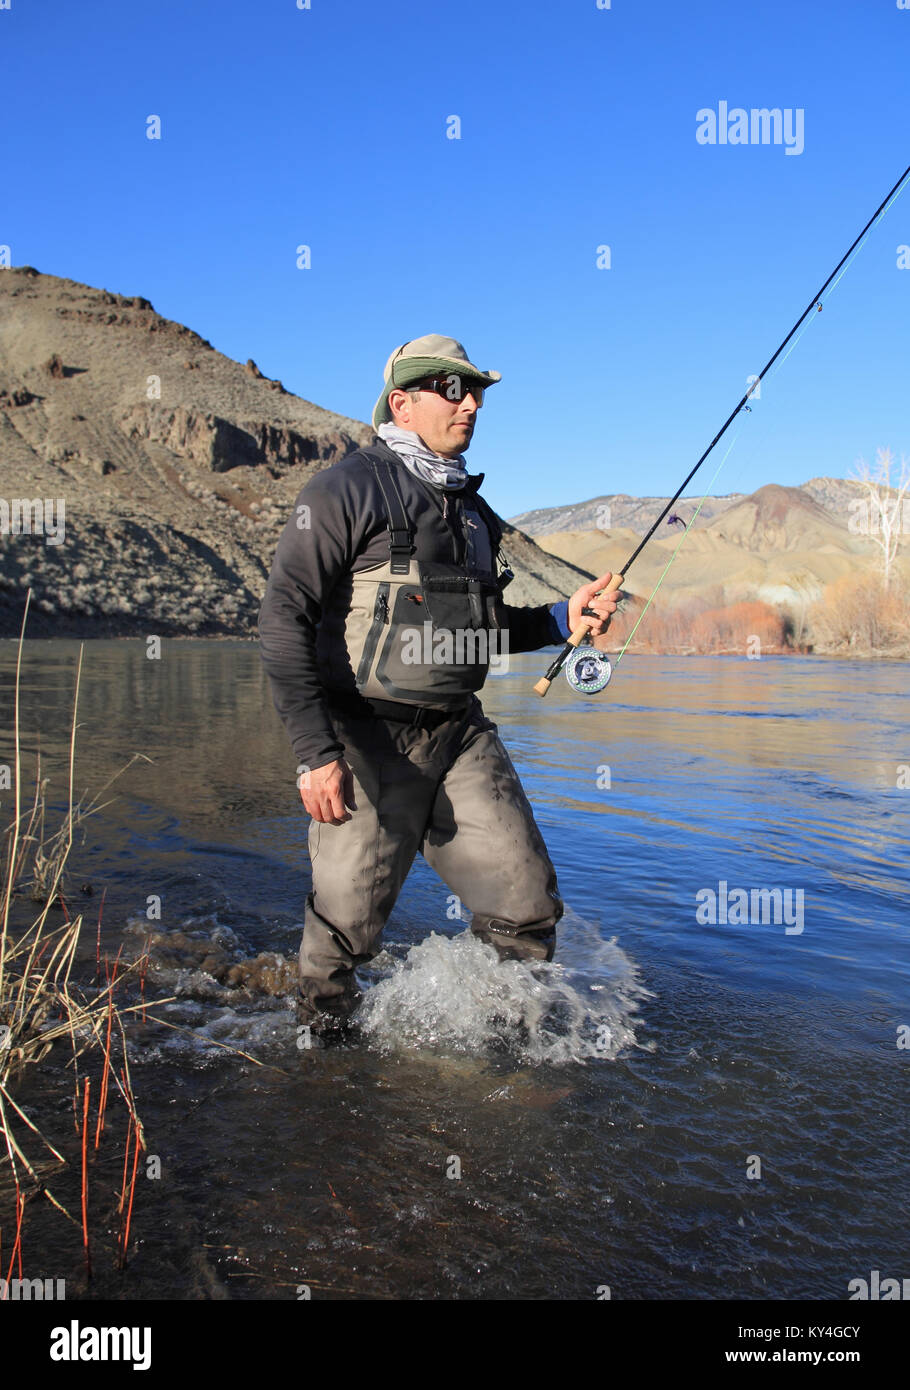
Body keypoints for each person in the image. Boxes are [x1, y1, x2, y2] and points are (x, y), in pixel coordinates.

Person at [258, 335, 618, 1040]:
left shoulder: (474, 512)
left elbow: (480, 628)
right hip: (363, 740)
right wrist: (314, 753)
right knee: (341, 941)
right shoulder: (343, 489)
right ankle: (324, 1066)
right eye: (452, 389)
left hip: (461, 735)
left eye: (476, 390)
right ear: (401, 403)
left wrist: (559, 619)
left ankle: (501, 1057)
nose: (472, 403)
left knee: (526, 909)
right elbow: (282, 618)